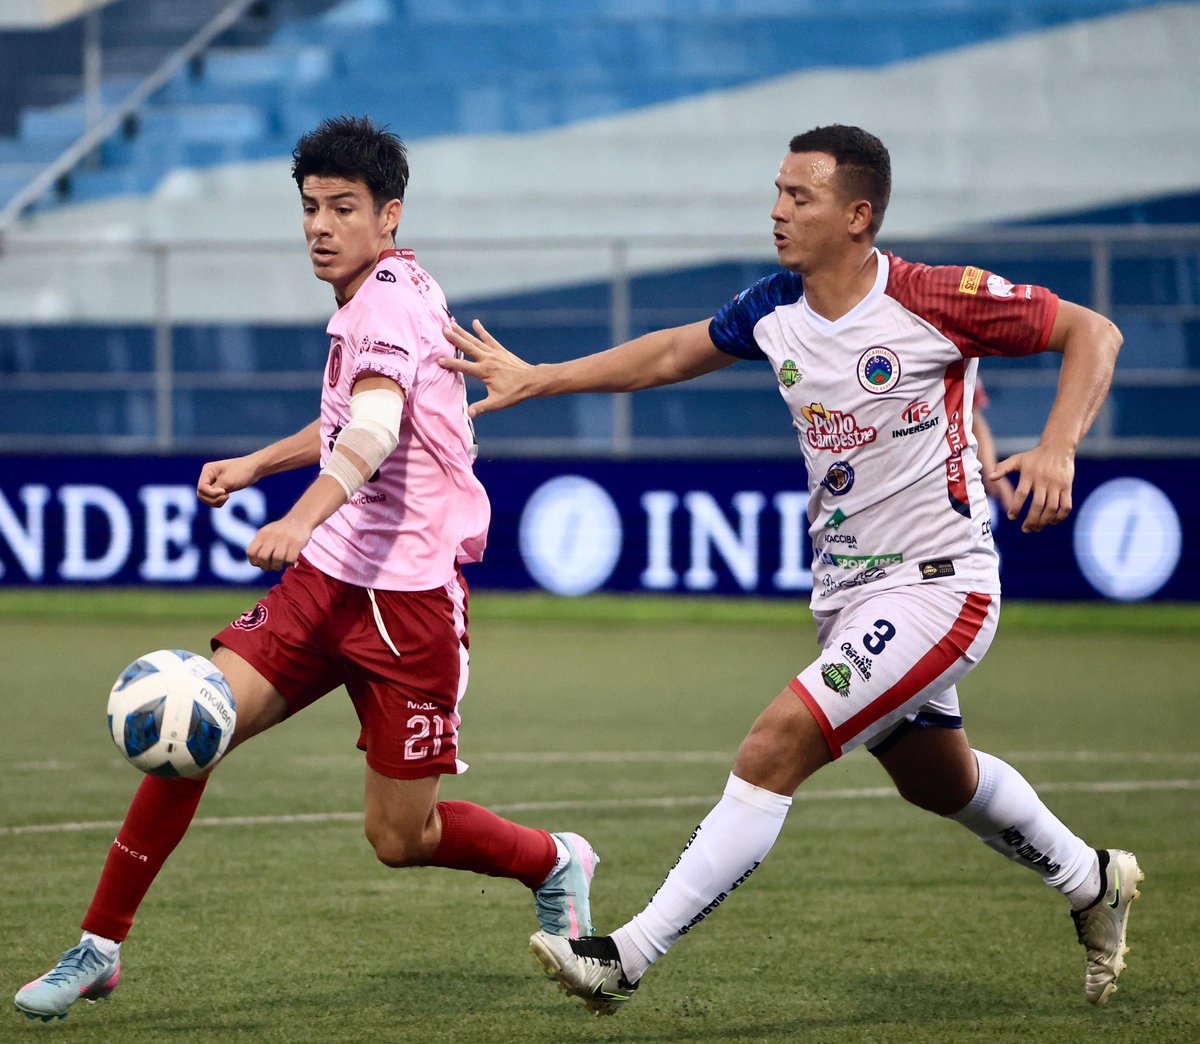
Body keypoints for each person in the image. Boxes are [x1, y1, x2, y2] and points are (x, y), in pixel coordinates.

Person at [440, 125, 1138, 1015]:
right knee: (941, 782)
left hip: (940, 586)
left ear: (857, 216)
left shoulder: (932, 297)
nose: (777, 211)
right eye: (776, 192)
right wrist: (542, 378)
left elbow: (1094, 331)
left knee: (776, 744)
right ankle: (1093, 879)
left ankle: (626, 955)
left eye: (798, 197)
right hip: (848, 597)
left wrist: (1059, 445)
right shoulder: (774, 307)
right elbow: (665, 354)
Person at [13, 115, 597, 1024]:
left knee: (399, 839)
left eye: (343, 208)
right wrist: (259, 464)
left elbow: (373, 431)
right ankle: (99, 945)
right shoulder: (378, 296)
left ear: (388, 217)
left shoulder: (390, 305)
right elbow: (345, 420)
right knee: (192, 728)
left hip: (407, 610)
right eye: (310, 208)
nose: (320, 226)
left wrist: (295, 514)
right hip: (325, 584)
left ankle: (554, 861)